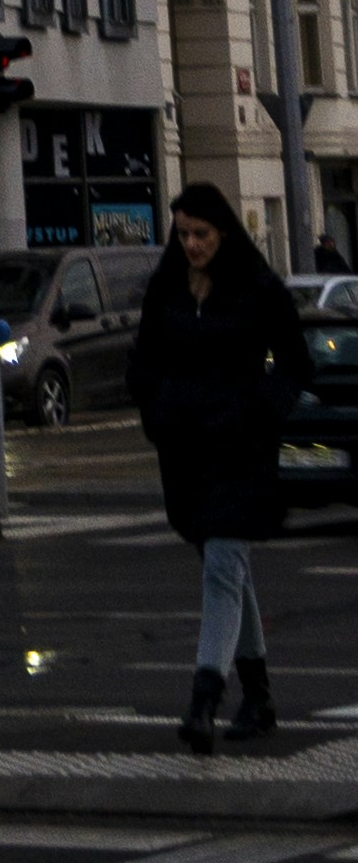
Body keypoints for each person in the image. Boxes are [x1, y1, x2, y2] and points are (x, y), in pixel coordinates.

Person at [129, 183, 312, 745]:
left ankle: (204, 699)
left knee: (223, 566)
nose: (191, 244)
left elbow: (295, 364)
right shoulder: (166, 289)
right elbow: (144, 361)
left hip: (242, 450)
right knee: (228, 570)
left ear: (224, 231)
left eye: (201, 234)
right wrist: (157, 413)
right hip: (186, 452)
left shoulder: (257, 287)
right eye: (183, 233)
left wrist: (261, 412)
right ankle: (258, 700)